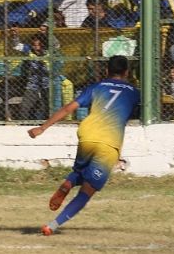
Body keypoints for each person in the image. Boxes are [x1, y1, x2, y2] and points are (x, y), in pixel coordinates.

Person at [28, 55, 140, 236]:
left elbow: (68, 108)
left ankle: (67, 183)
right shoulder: (134, 92)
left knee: (81, 171)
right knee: (87, 190)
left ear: (106, 71)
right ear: (127, 72)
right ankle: (53, 225)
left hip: (87, 135)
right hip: (109, 143)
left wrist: (42, 128)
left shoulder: (96, 87)